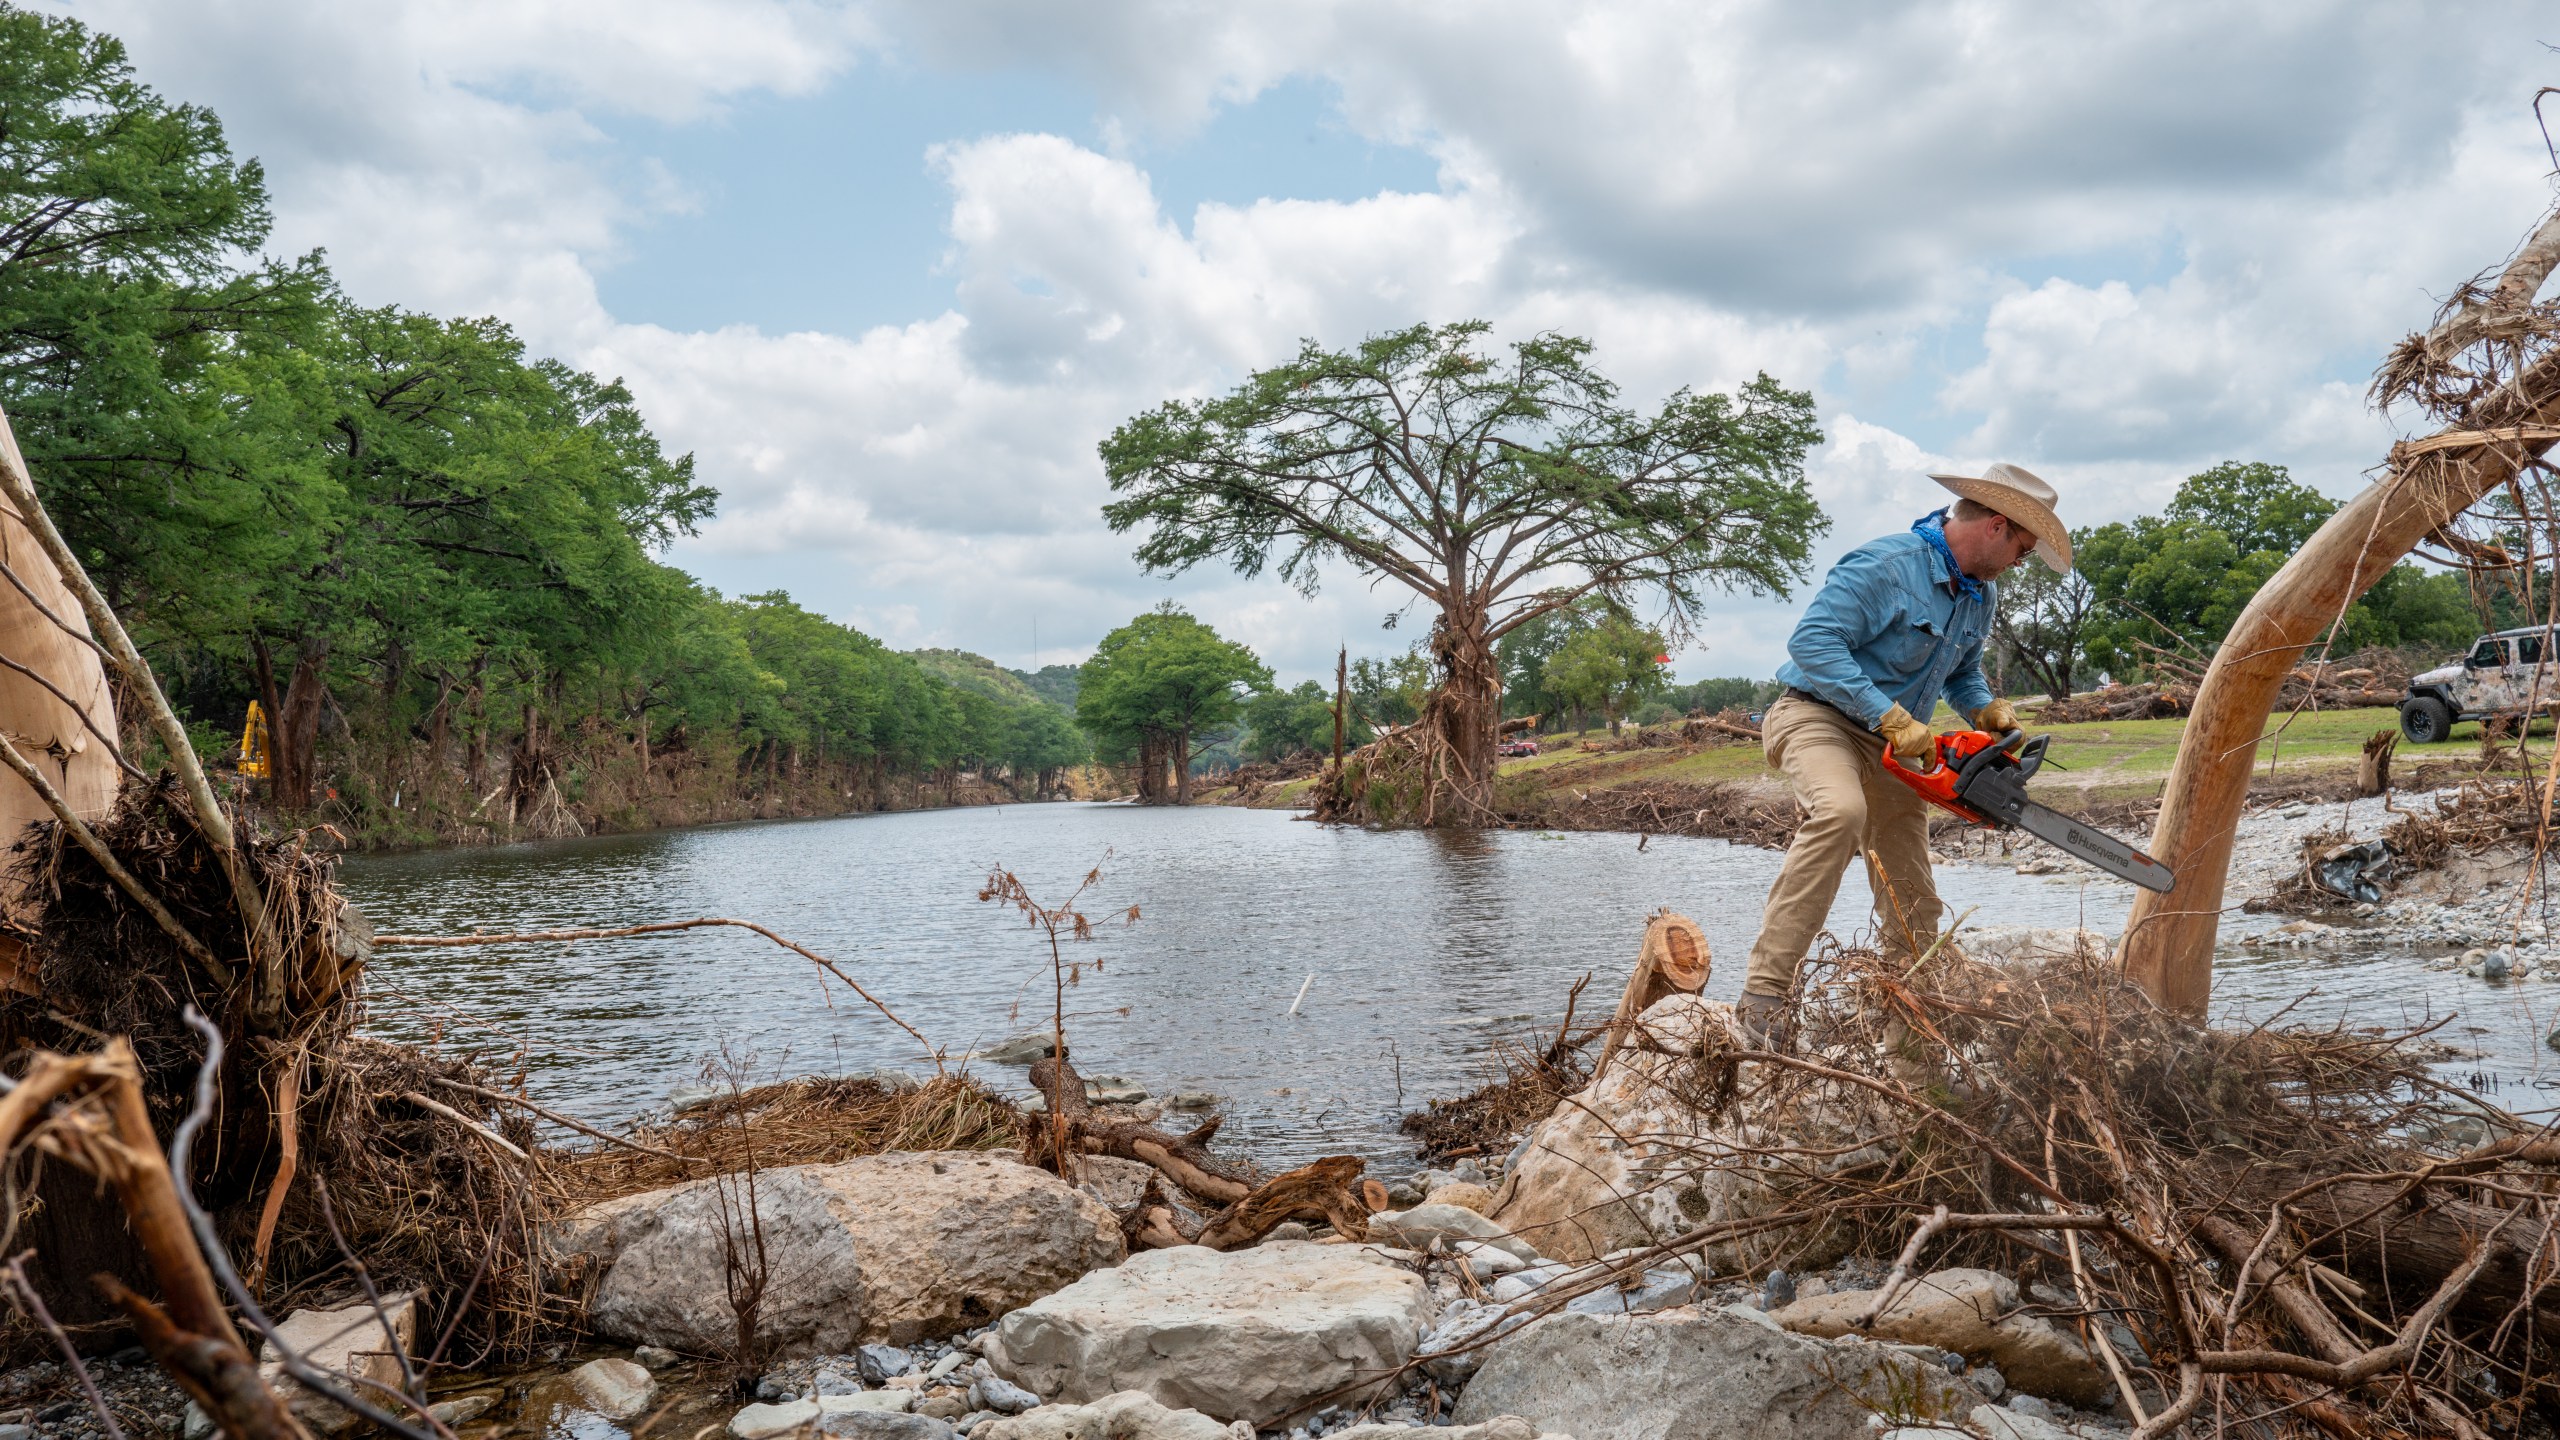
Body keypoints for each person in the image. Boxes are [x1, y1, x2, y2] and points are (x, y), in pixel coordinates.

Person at [1735, 463, 2074, 1045]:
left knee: (1911, 889)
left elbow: (1961, 672)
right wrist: (1888, 715)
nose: (2022, 561)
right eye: (2022, 546)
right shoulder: (1887, 566)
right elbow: (1811, 643)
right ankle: (1763, 998)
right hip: (1815, 716)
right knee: (1841, 812)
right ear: (1996, 526)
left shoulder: (1978, 597)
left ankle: (1913, 1052)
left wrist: (1985, 711)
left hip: (1892, 746)